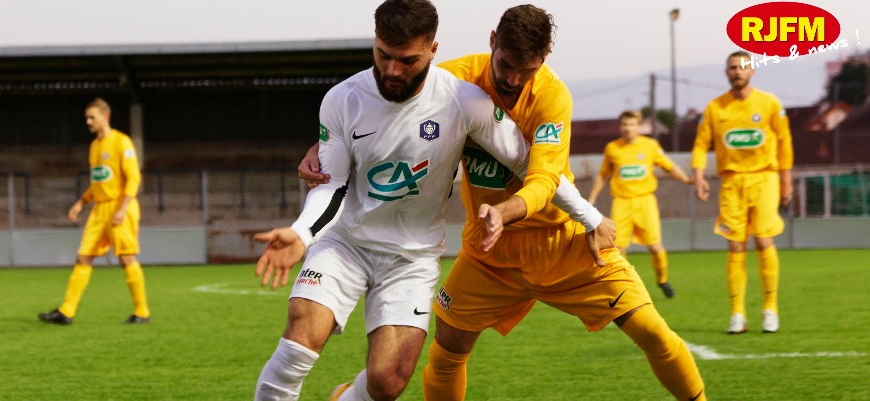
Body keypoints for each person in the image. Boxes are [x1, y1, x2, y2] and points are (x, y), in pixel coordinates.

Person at [300, 5, 706, 401]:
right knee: (447, 350)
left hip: (563, 243)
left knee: (653, 332)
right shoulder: (455, 81)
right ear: (492, 41)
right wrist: (324, 146)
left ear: (544, 58)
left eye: (526, 70)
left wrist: (506, 211)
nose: (512, 79)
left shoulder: (552, 98)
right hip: (490, 254)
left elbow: (545, 179)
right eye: (505, 65)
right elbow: (381, 108)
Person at [251, 1, 600, 400]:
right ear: (375, 42)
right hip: (346, 243)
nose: (392, 70)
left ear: (433, 50)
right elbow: (333, 185)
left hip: (411, 257)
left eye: (408, 60)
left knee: (387, 382)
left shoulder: (464, 101)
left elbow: (532, 166)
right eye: (383, 55)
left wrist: (589, 217)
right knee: (301, 337)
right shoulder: (342, 99)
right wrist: (302, 234)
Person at [692, 50, 793, 334]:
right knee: (735, 245)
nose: (737, 71)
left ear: (752, 71)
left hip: (765, 179)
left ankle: (770, 309)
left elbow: (784, 142)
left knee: (763, 240)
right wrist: (698, 176)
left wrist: (786, 180)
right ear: (726, 72)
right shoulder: (715, 108)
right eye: (732, 67)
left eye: (742, 67)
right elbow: (701, 144)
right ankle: (737, 314)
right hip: (731, 182)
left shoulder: (769, 103)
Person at [38, 97, 151, 325]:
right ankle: (66, 311)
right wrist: (81, 202)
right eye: (86, 118)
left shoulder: (121, 142)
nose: (88, 122)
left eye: (92, 117)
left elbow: (133, 178)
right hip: (99, 210)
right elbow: (99, 181)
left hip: (120, 206)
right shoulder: (95, 146)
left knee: (126, 258)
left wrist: (122, 209)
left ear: (105, 116)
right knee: (83, 256)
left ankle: (142, 311)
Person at [587, 110, 694, 299]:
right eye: (624, 124)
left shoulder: (650, 146)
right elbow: (603, 175)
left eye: (632, 124)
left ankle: (662, 280)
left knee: (655, 247)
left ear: (639, 127)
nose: (628, 128)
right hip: (621, 203)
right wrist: (592, 198)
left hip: (645, 202)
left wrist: (686, 179)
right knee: (619, 248)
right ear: (620, 127)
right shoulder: (613, 148)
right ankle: (623, 286)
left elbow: (668, 166)